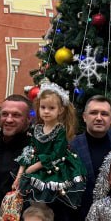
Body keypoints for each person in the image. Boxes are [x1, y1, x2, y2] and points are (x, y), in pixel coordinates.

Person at [15, 82, 87, 210]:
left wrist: (34, 167)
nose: (46, 111)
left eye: (51, 108)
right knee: (33, 205)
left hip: (54, 170)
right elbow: (29, 151)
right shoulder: (36, 128)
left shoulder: (60, 131)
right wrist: (19, 175)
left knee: (48, 205)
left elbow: (56, 155)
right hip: (33, 169)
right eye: (43, 107)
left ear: (60, 110)